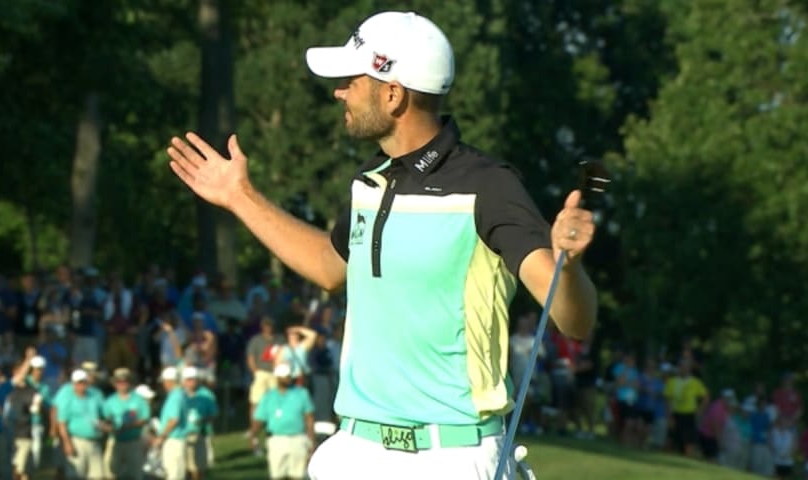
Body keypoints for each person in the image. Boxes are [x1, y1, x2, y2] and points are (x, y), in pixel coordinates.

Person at [167, 10, 597, 479]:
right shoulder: (369, 183)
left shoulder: (488, 186)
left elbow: (572, 320)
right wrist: (239, 197)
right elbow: (331, 267)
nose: (339, 92)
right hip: (355, 450)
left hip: (449, 456)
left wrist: (568, 266)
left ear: (392, 94)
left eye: (352, 80)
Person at [249, 363, 315, 480]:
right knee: (277, 475)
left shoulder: (301, 393)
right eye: (285, 376)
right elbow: (259, 419)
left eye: (289, 376)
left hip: (298, 439)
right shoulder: (269, 396)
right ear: (278, 378)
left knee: (298, 475)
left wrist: (311, 440)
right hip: (276, 440)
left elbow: (309, 418)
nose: (287, 379)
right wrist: (253, 435)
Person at [56, 369, 107, 480]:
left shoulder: (93, 396)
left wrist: (104, 425)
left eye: (83, 382)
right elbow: (62, 423)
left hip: (94, 441)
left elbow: (102, 415)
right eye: (78, 383)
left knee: (98, 475)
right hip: (77, 441)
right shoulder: (68, 399)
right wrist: (67, 443)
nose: (81, 385)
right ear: (73, 384)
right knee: (76, 475)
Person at [102, 367, 150, 480]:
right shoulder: (109, 401)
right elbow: (105, 419)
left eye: (125, 381)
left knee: (135, 474)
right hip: (114, 440)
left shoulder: (139, 400)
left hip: (133, 441)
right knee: (110, 473)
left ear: (129, 382)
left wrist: (129, 426)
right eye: (119, 382)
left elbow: (144, 418)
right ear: (114, 383)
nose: (122, 384)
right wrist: (107, 427)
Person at [664, 358, 708, 457]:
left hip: (689, 414)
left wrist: (700, 410)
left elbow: (705, 397)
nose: (683, 369)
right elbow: (668, 400)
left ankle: (687, 459)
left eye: (686, 367)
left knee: (688, 441)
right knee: (671, 439)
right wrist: (669, 415)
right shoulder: (672, 381)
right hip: (676, 413)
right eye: (682, 367)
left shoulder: (695, 382)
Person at [246, 317, 283, 429]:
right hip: (261, 372)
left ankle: (273, 425)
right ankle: (253, 426)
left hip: (275, 373)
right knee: (256, 400)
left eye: (270, 325)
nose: (268, 328)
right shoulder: (256, 340)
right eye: (266, 325)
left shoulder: (279, 339)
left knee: (276, 400)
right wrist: (255, 371)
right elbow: (250, 357)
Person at [181, 366, 218, 480]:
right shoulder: (180, 395)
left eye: (193, 379)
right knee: (183, 468)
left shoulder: (206, 394)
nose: (191, 382)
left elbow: (213, 414)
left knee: (197, 468)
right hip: (182, 435)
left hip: (200, 433)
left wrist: (202, 421)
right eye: (188, 379)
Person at [155, 366, 188, 480]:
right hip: (176, 440)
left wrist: (161, 436)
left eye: (164, 381)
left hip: (173, 440)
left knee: (173, 475)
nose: (163, 384)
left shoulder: (175, 396)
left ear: (169, 381)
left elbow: (173, 420)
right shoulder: (179, 394)